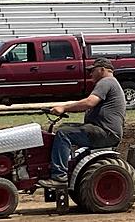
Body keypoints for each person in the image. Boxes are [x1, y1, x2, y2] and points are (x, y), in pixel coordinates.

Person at [39, 58, 126, 188]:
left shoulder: (106, 82)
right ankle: (64, 164)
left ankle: (59, 177)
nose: (90, 74)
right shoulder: (112, 83)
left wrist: (64, 107)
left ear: (102, 70)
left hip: (105, 132)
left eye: (92, 71)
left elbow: (89, 102)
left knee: (63, 134)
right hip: (103, 131)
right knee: (65, 129)